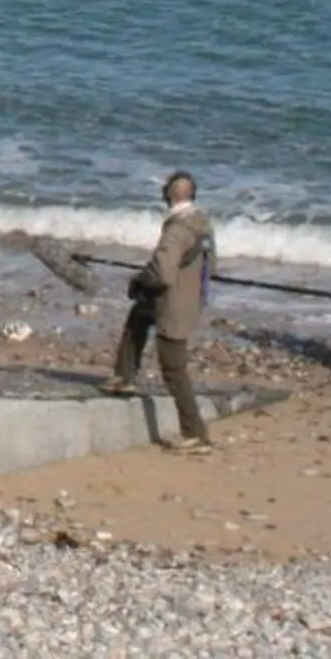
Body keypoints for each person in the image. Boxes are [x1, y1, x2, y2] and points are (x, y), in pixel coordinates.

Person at [100, 171, 215, 452]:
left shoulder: (177, 230)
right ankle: (124, 378)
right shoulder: (203, 224)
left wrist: (139, 280)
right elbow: (210, 266)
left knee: (174, 369)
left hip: (172, 304)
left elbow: (162, 273)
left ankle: (196, 434)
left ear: (168, 196)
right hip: (190, 299)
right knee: (139, 316)